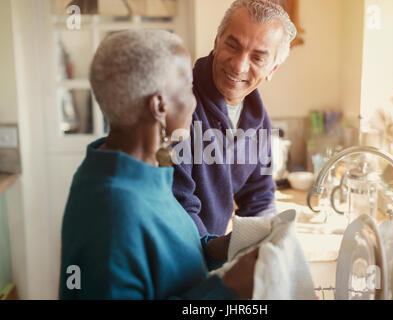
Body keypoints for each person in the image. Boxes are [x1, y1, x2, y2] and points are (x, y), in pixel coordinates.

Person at [59, 29, 258, 300]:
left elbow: (167, 256)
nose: (195, 101)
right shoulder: (113, 211)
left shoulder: (145, 170)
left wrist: (221, 248)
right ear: (159, 106)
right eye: (188, 88)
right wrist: (228, 291)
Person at [172, 0, 297, 237]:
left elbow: (259, 197)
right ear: (217, 41)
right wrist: (214, 254)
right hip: (176, 257)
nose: (239, 66)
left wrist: (264, 241)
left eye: (258, 58)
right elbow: (178, 205)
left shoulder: (257, 119)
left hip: (208, 255)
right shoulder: (179, 104)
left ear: (272, 69)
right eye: (233, 46)